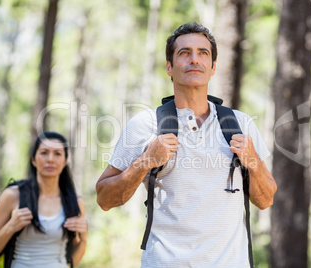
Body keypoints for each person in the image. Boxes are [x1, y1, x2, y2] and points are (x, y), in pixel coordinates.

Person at [96, 22, 277, 267]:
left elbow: (266, 199)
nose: (195, 59)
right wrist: (145, 161)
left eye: (203, 53)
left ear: (213, 67)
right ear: (169, 67)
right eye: (184, 53)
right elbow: (105, 199)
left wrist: (253, 161)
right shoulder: (145, 124)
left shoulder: (241, 123)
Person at [0, 131, 87, 268]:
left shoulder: (74, 203)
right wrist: (10, 226)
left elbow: (72, 262)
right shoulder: (13, 196)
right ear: (33, 159)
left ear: (65, 161)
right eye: (44, 152)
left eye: (57, 153)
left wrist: (84, 238)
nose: (50, 159)